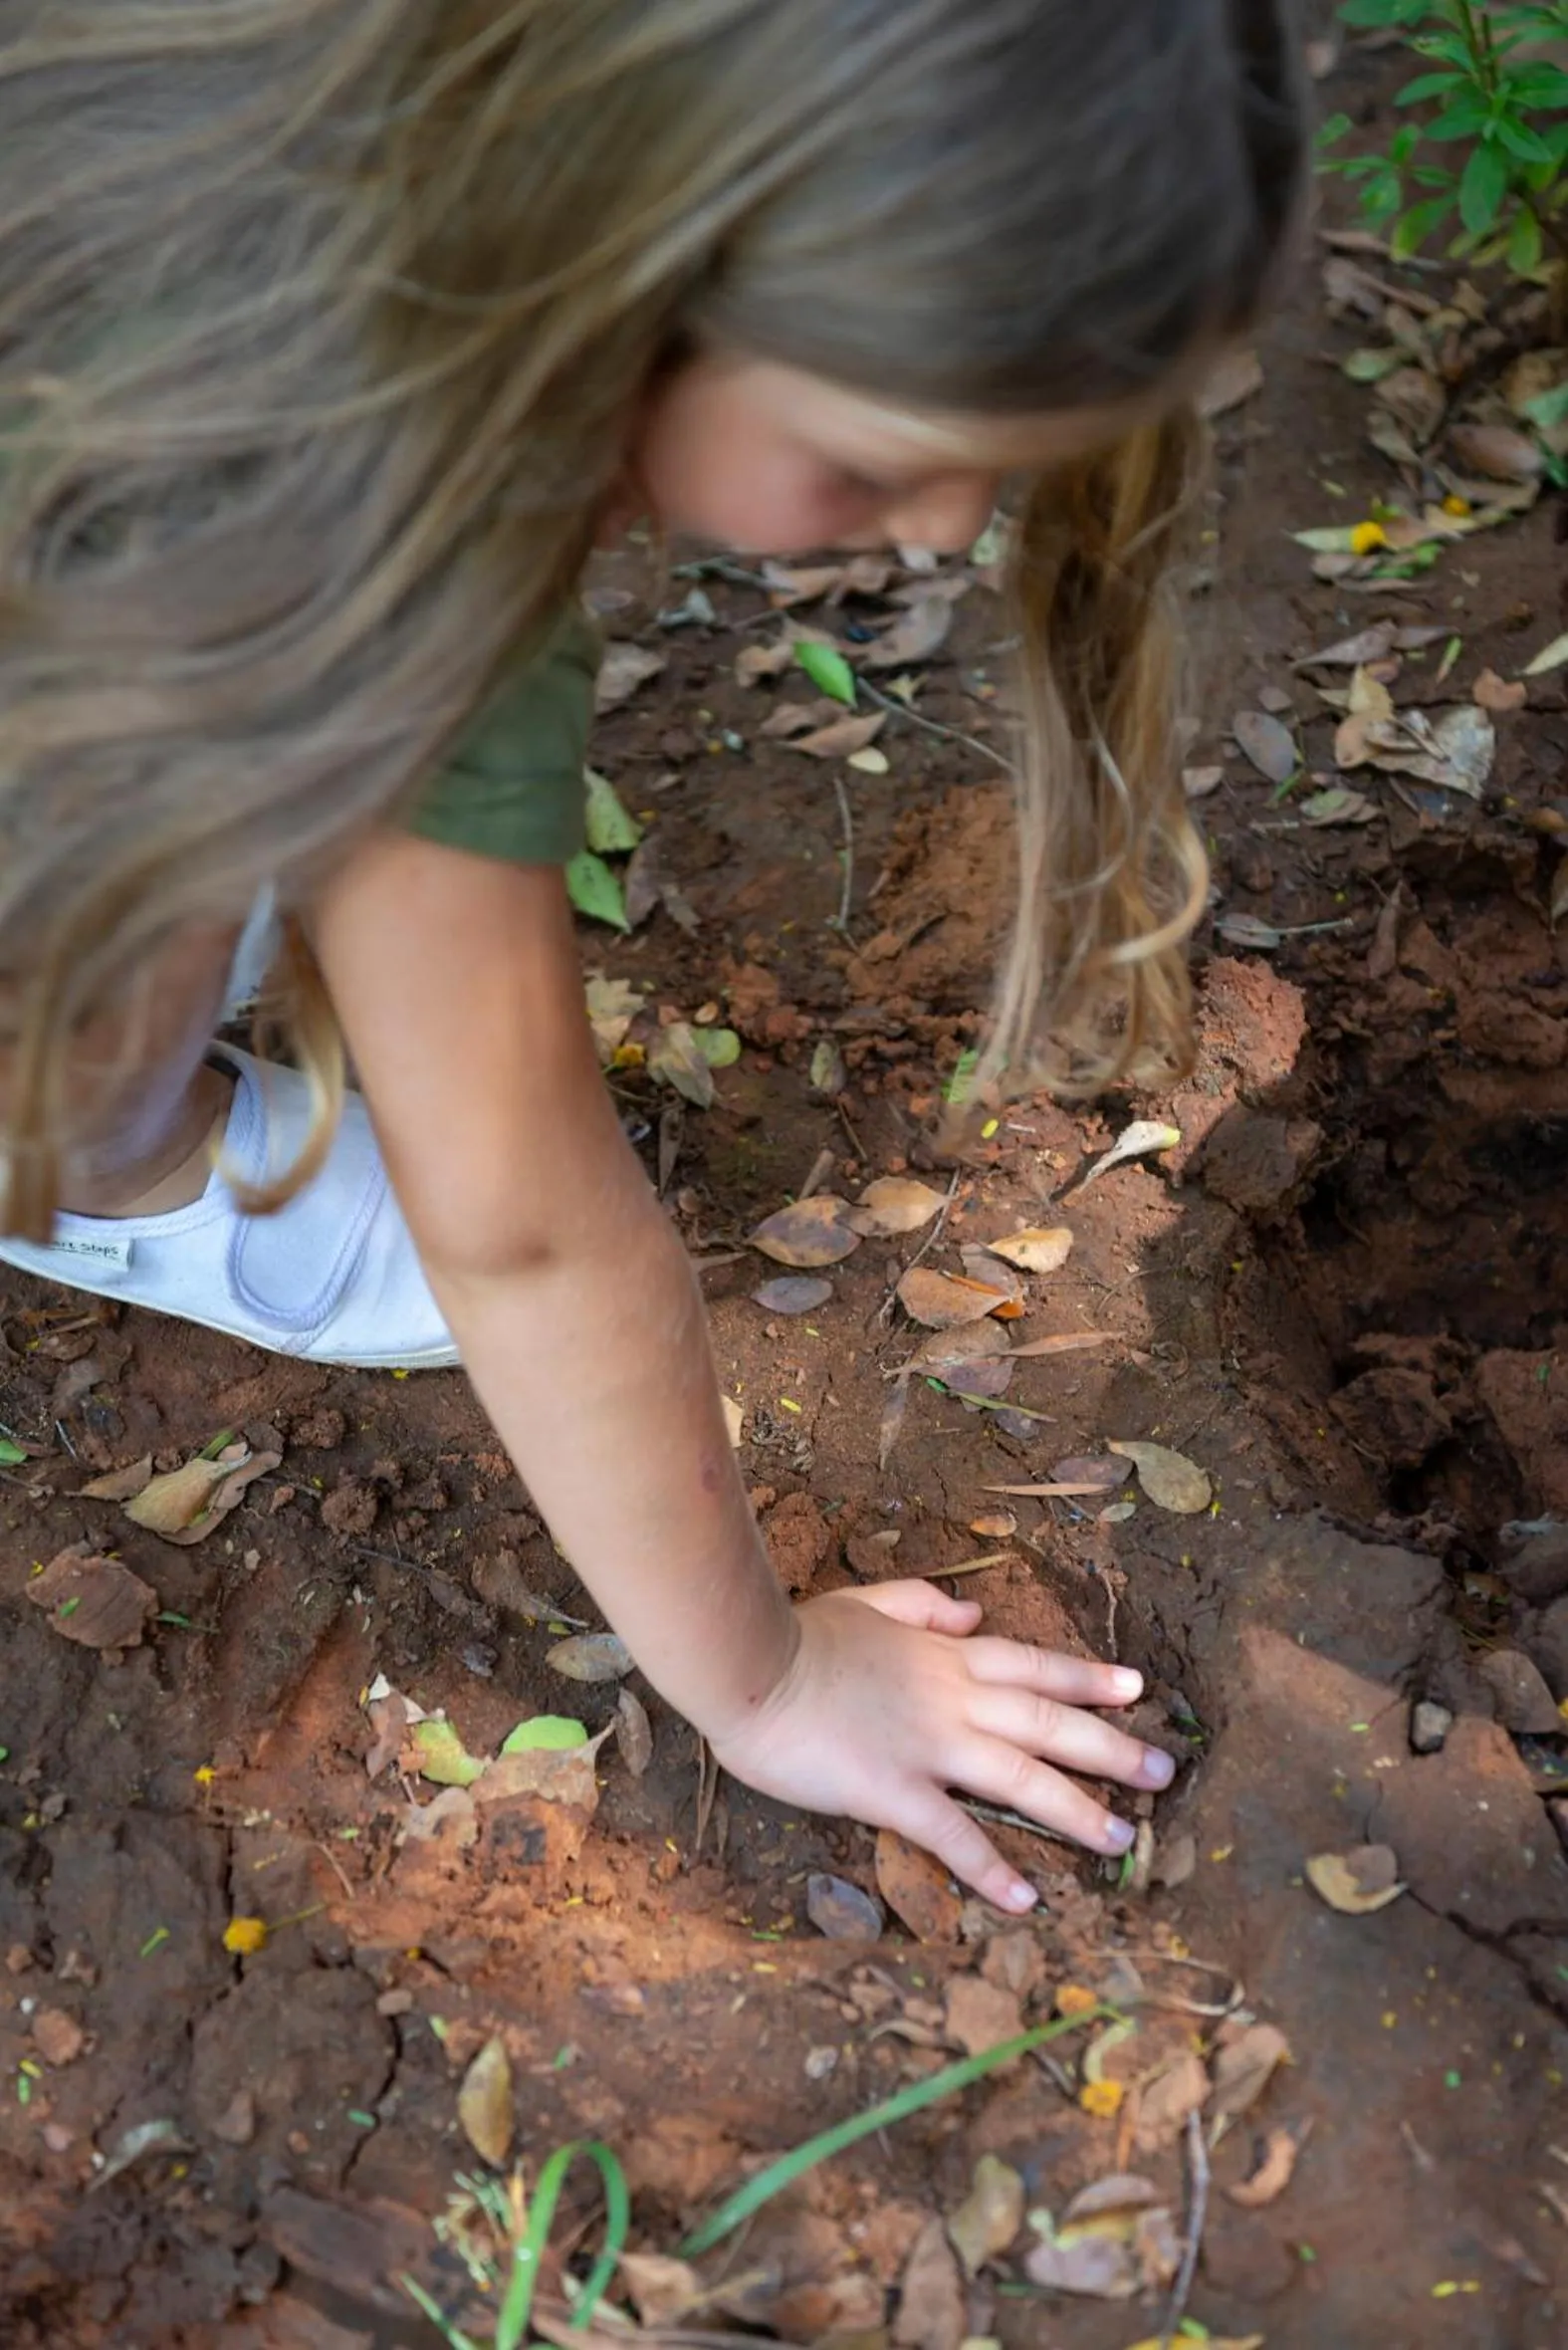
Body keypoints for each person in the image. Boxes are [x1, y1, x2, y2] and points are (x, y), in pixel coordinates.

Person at [0, 0, 1304, 1912]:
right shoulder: (372, 523)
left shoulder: (284, 134)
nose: (947, 530)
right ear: (658, 254)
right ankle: (84, 1148)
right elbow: (520, 1220)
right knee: (120, 891)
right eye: (876, 461)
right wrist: (773, 1682)